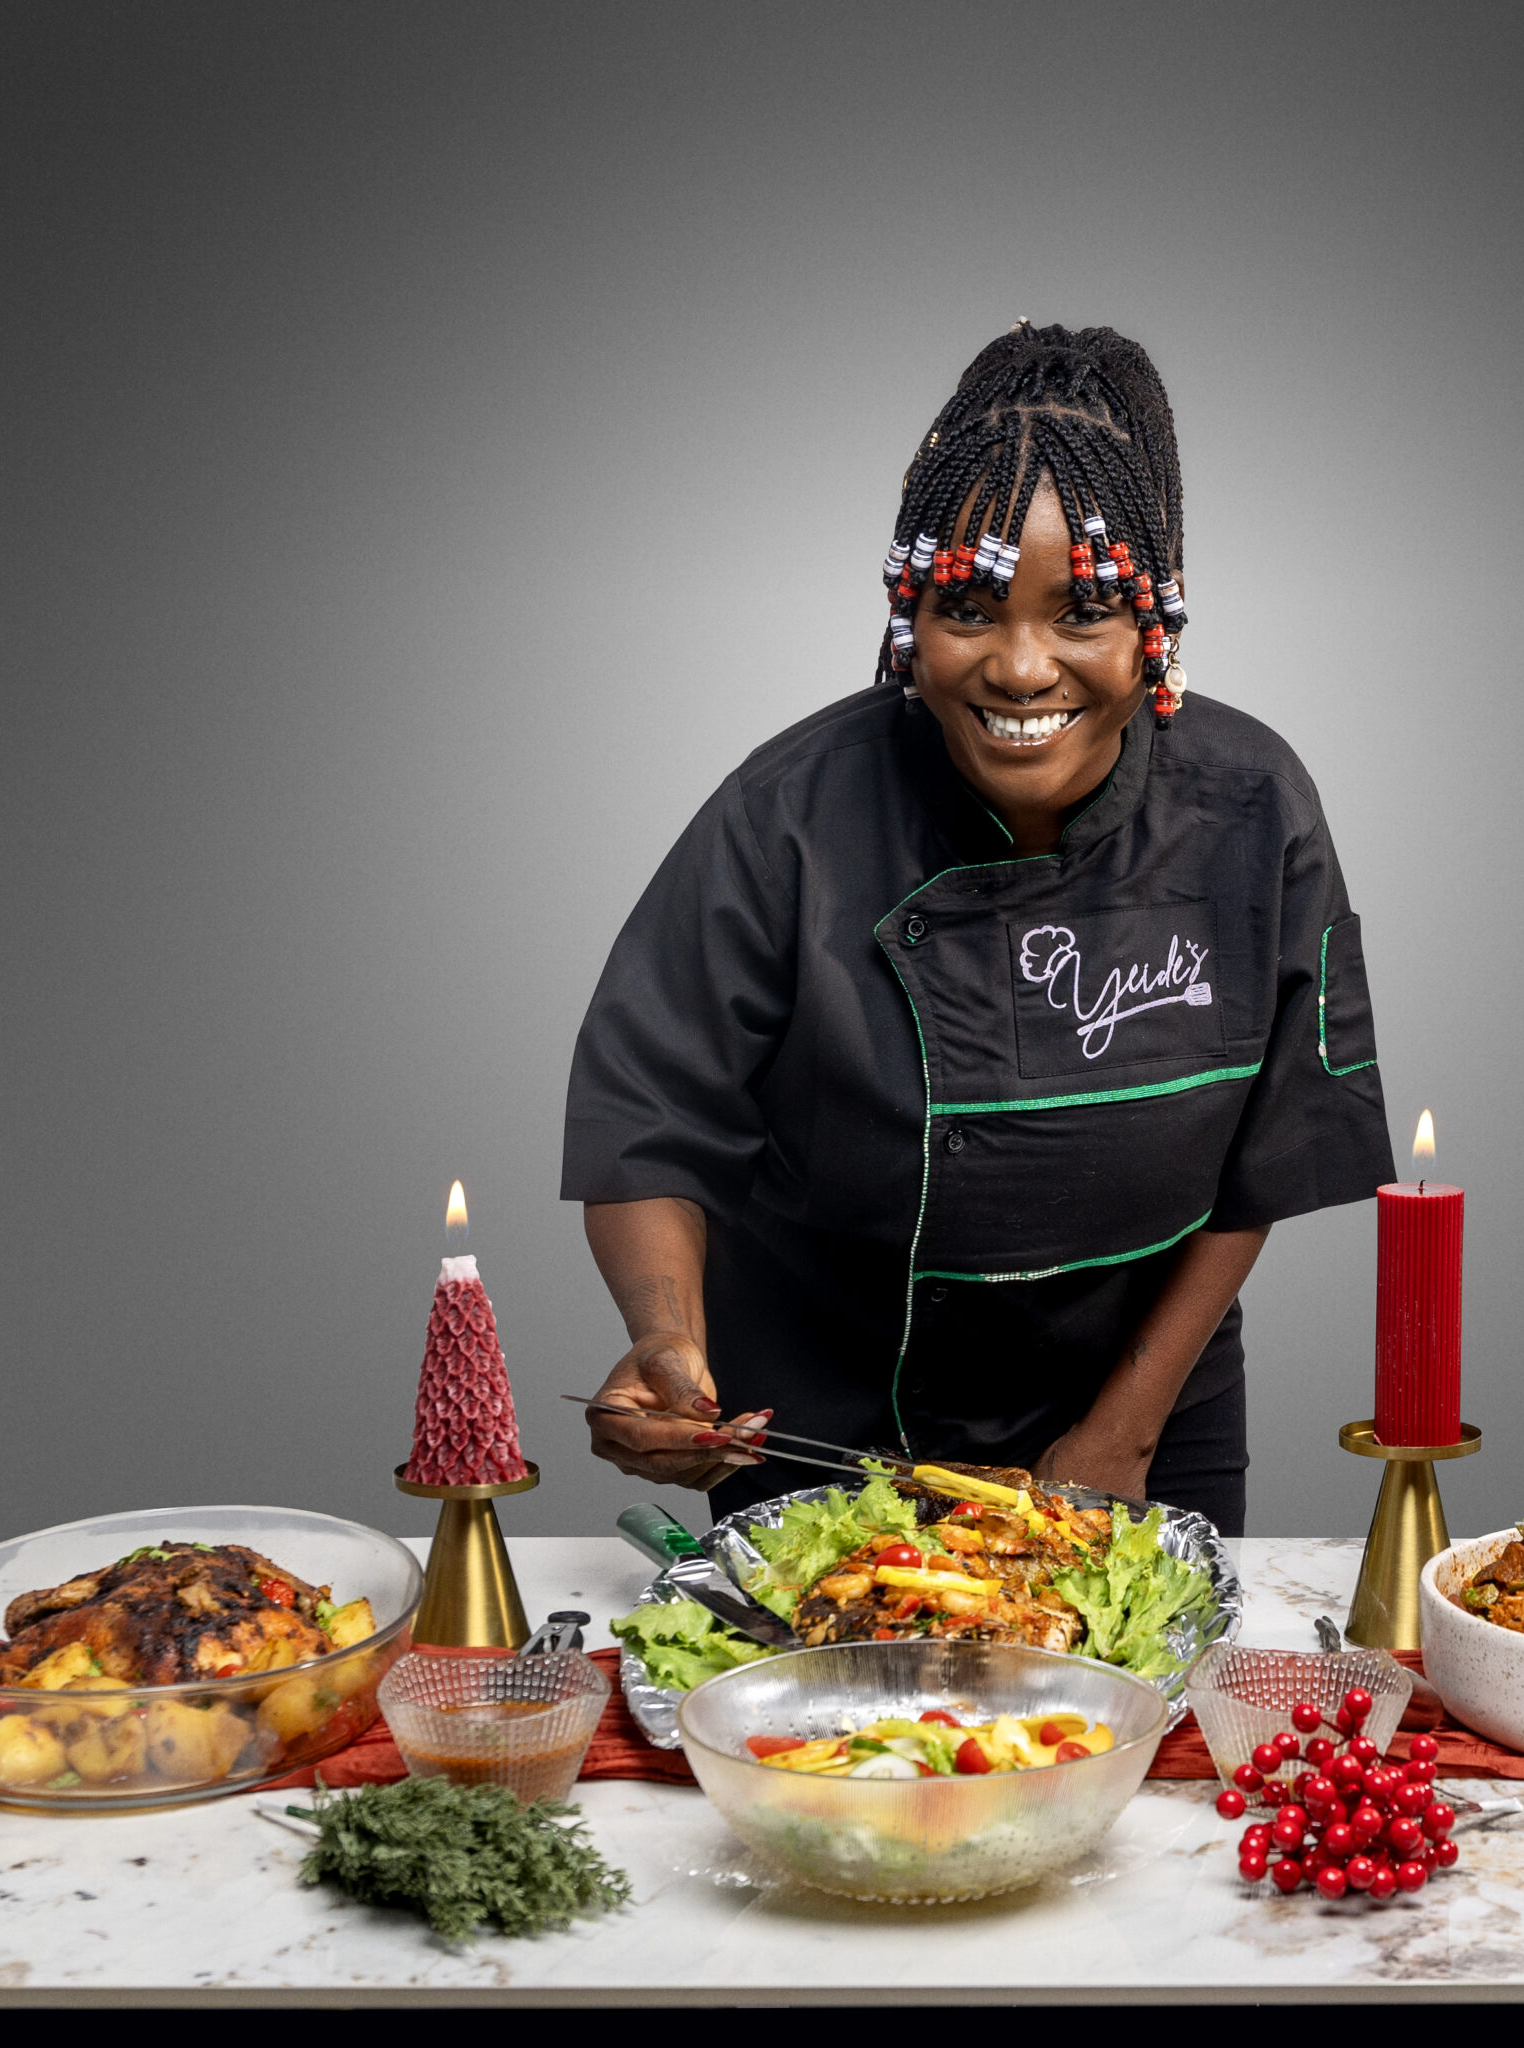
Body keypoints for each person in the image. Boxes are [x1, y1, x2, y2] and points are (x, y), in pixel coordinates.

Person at [561, 323, 1392, 1533]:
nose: (1020, 667)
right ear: (909, 614)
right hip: (819, 1418)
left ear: (1153, 622)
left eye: (1083, 610)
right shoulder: (786, 812)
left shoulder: (1253, 804)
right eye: (967, 607)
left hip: (1143, 1409)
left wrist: (1122, 1431)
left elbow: (1262, 1157)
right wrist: (668, 1341)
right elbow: (651, 1118)